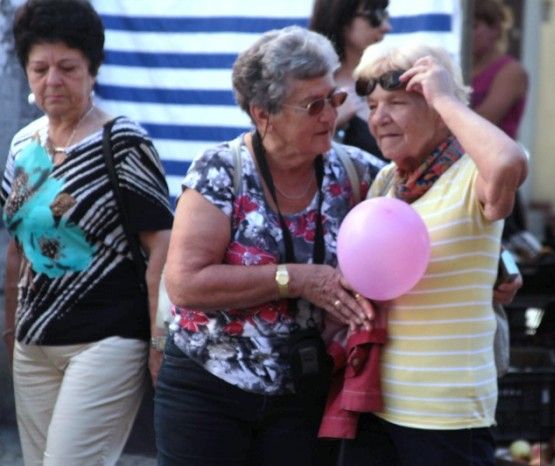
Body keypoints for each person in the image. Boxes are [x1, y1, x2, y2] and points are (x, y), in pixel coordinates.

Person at [156, 26, 384, 466]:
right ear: (263, 115)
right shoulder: (221, 171)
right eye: (313, 105)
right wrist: (294, 280)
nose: (330, 115)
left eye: (334, 98)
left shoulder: (357, 172)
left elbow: (431, 204)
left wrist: (501, 266)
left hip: (305, 393)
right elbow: (185, 284)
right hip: (209, 389)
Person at [339, 42, 528, 466]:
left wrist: (445, 98)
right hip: (377, 403)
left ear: (439, 110)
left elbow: (508, 163)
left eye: (397, 103)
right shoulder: (388, 182)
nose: (379, 118)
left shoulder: (471, 173)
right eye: (373, 106)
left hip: (446, 416)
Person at [3, 0, 173, 464]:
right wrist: (10, 330)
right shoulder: (22, 145)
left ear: (92, 69)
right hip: (33, 344)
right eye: (39, 69)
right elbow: (17, 246)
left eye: (67, 67)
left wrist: (159, 342)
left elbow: (162, 247)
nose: (52, 81)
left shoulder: (124, 142)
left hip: (107, 340)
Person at [471, 0, 528, 237]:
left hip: (495, 171)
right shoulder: (458, 67)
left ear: (495, 29)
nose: (467, 33)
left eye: (474, 26)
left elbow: (485, 120)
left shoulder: (511, 71)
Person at [309, 0, 391, 158]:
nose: (386, 27)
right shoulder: (307, 85)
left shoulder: (391, 79)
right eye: (375, 16)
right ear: (342, 19)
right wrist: (331, 121)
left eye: (385, 15)